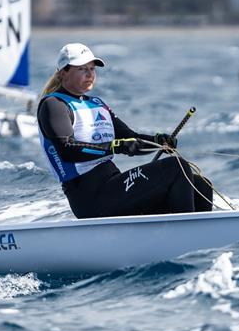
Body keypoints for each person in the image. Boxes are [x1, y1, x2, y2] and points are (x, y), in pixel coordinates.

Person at [37, 43, 214, 219]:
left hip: (112, 185)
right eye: (82, 69)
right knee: (176, 167)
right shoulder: (54, 105)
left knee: (200, 185)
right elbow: (67, 149)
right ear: (63, 73)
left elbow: (129, 138)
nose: (90, 74)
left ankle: (198, 240)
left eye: (92, 69)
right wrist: (115, 147)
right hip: (89, 197)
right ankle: (184, 232)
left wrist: (158, 141)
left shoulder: (96, 104)